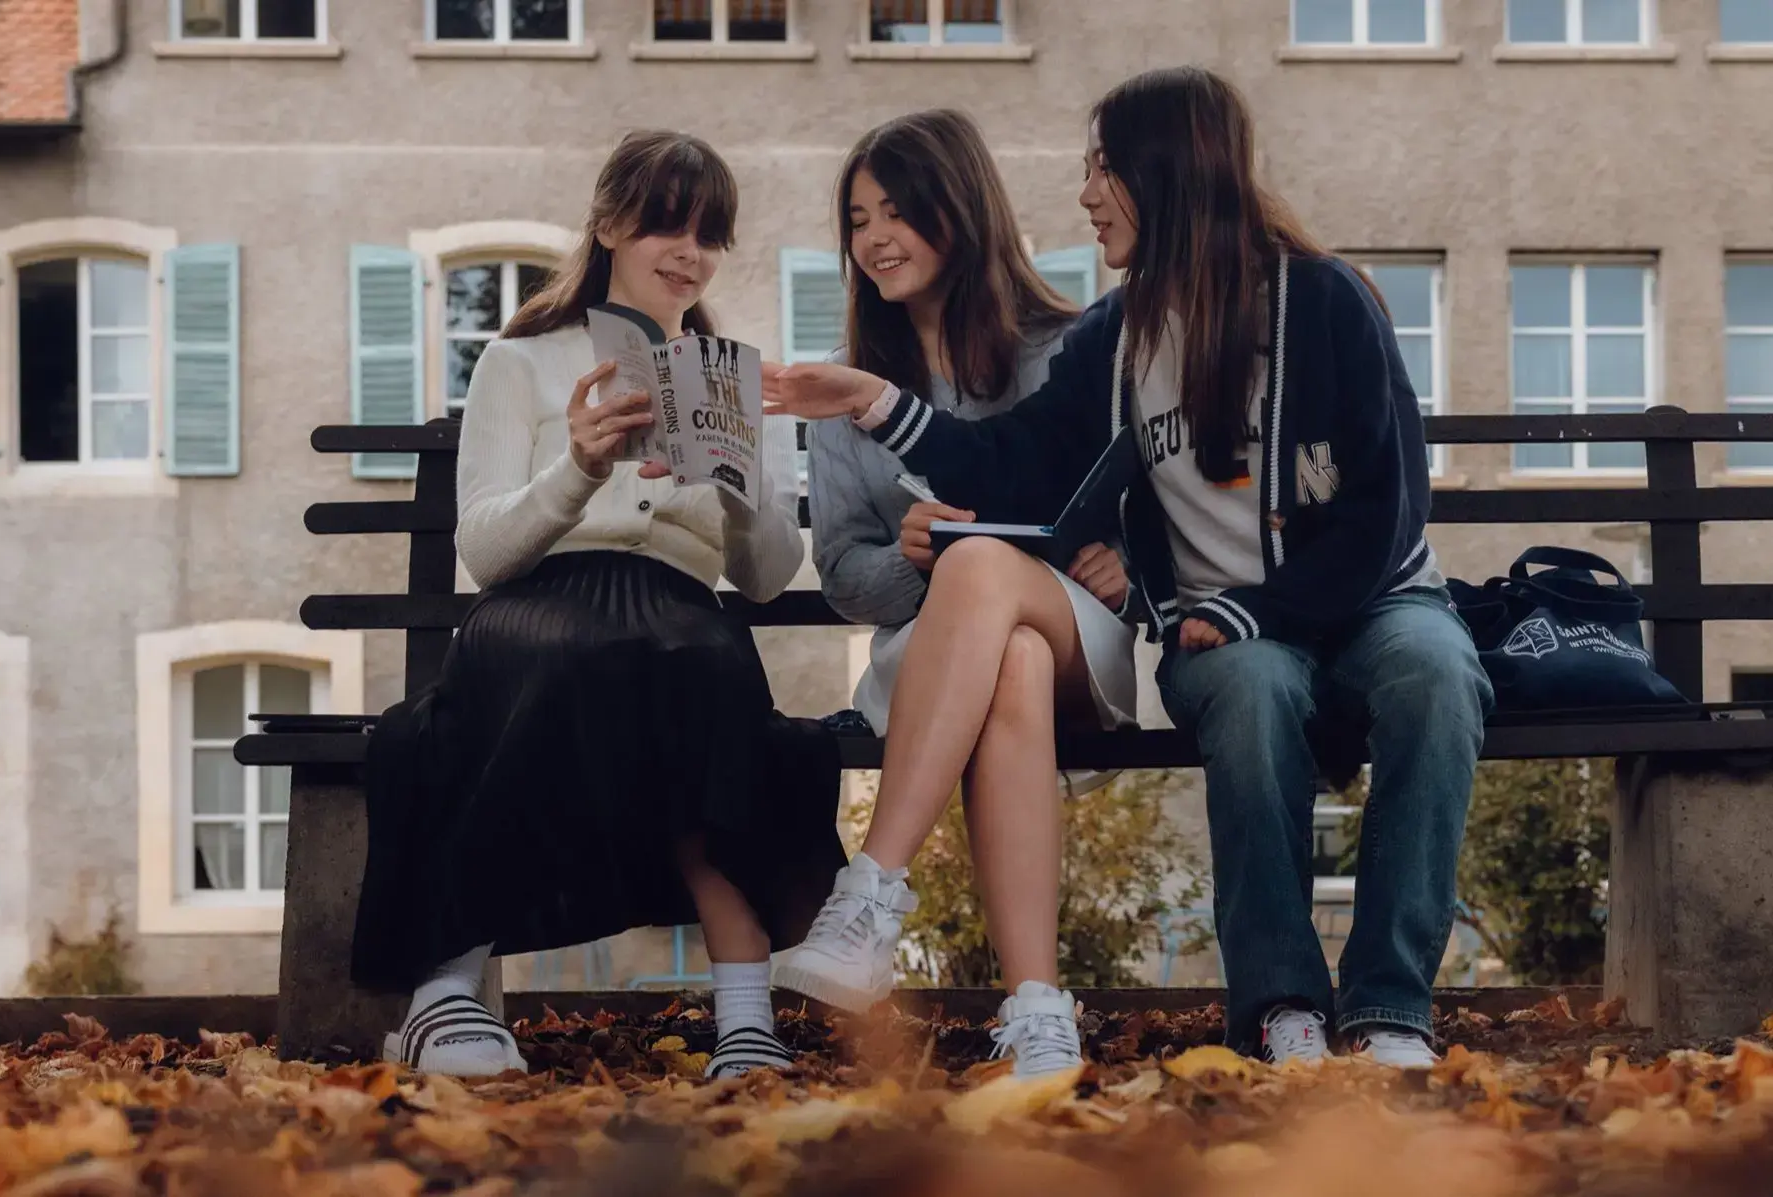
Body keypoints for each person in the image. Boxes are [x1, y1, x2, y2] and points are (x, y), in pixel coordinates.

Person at [766, 67, 1492, 1070]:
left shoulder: (1323, 300)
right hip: (1215, 629)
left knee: (1436, 674)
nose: (1085, 195)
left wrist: (1257, 605)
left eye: (1101, 169)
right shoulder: (1114, 337)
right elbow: (1014, 464)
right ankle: (1283, 1006)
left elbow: (1386, 505)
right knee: (1249, 686)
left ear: (1168, 171)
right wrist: (871, 400)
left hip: (1374, 598)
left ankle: (1387, 1008)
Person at [352, 130, 844, 1080]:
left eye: (710, 236)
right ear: (612, 224)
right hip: (539, 604)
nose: (690, 254)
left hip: (679, 612)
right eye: (669, 226)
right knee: (569, 660)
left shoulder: (733, 380)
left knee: (705, 677)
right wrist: (576, 467)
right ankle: (443, 992)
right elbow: (484, 550)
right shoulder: (522, 360)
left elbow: (767, 576)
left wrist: (739, 487)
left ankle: (747, 1019)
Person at [777, 111, 1138, 1078]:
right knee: (1003, 644)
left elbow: (1151, 487)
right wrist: (909, 560)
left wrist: (1131, 565)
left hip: (1078, 636)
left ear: (959, 208)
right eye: (858, 220)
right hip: (936, 655)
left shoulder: (1068, 346)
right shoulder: (850, 390)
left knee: (985, 571)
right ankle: (1039, 1013)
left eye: (897, 211)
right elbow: (844, 577)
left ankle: (871, 894)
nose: (876, 238)